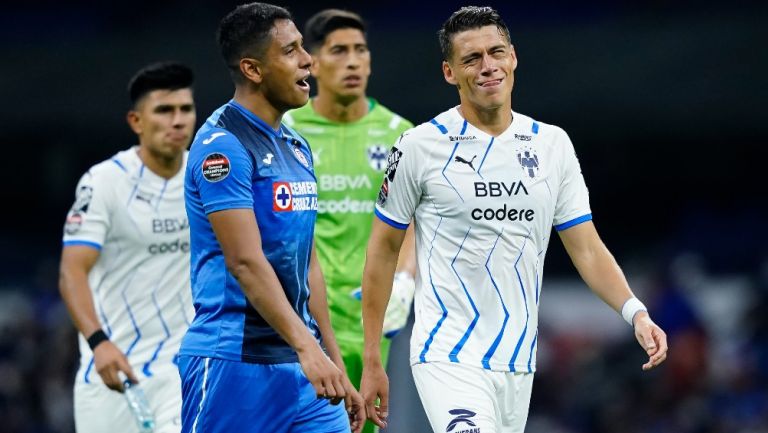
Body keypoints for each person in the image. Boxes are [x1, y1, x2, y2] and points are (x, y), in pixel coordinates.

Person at [359, 6, 669, 433]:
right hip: (447, 355)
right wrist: (372, 357)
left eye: (495, 52)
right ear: (450, 72)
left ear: (513, 57)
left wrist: (636, 312)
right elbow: (382, 251)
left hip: (518, 364)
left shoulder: (551, 145)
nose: (487, 67)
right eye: (471, 59)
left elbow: (587, 248)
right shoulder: (418, 146)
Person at [178, 3, 363, 433]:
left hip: (301, 367)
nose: (309, 61)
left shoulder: (296, 146)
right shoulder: (221, 148)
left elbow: (307, 261)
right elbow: (245, 262)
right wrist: (308, 350)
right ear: (253, 69)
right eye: (291, 50)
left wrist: (330, 358)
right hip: (235, 363)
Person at [283, 10, 416, 432]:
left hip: (371, 318)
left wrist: (406, 278)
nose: (354, 61)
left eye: (361, 51)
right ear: (313, 63)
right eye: (339, 51)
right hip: (302, 317)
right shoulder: (286, 130)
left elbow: (412, 220)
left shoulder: (401, 134)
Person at [58, 61, 197, 433]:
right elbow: (72, 271)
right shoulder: (104, 182)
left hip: (181, 369)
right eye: (164, 111)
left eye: (186, 109)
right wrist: (99, 342)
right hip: (110, 369)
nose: (178, 120)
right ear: (136, 121)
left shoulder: (206, 177)